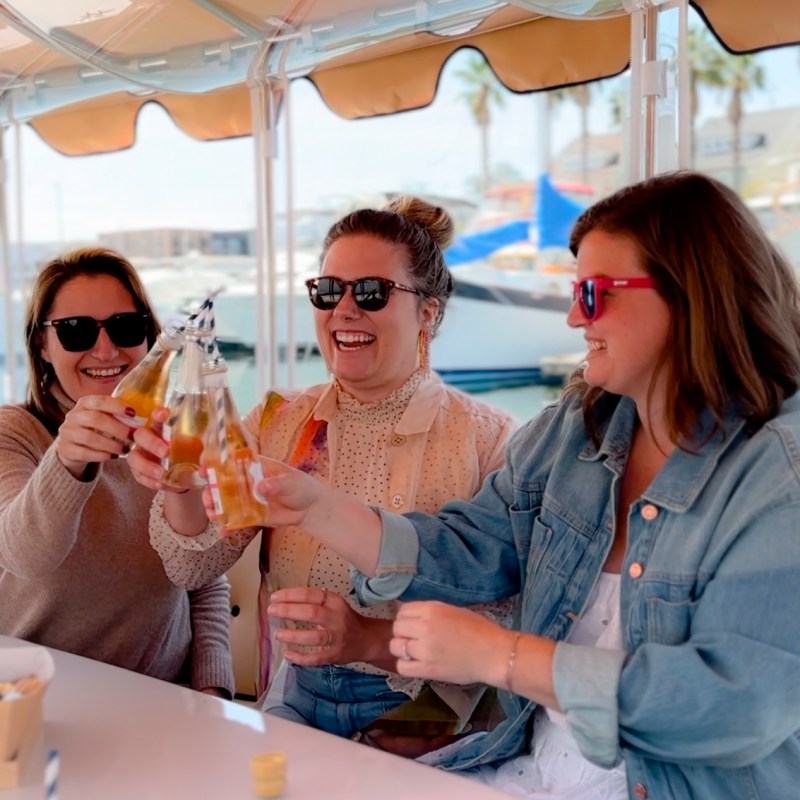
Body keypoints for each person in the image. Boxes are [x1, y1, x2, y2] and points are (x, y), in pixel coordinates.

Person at [243, 172, 800, 797]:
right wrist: (312, 505)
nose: (573, 316)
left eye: (593, 293)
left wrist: (499, 655)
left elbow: (735, 707)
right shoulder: (577, 429)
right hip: (531, 772)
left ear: (688, 295)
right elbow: (474, 548)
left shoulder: (780, 475)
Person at [131, 196, 516, 752]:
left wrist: (370, 638)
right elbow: (193, 565)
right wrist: (181, 484)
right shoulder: (277, 420)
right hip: (295, 693)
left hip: (432, 709)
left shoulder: (488, 438)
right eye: (329, 291)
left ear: (428, 313)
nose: (345, 310)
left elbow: (504, 620)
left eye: (372, 292)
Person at [0, 248, 234, 697]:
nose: (105, 350)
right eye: (76, 330)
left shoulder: (176, 433)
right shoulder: (15, 433)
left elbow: (203, 578)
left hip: (163, 700)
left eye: (125, 327)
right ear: (42, 346)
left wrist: (212, 687)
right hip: (38, 700)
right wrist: (67, 459)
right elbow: (23, 555)